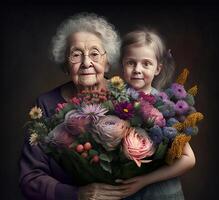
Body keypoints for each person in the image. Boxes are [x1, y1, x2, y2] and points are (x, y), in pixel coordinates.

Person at [19, 12, 129, 200]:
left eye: (95, 54)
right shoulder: (45, 105)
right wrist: (75, 195)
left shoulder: (128, 99)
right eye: (76, 55)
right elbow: (30, 178)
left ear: (108, 61)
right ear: (65, 64)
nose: (86, 63)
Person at [118, 27, 196, 200]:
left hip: (161, 194)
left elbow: (189, 159)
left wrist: (144, 180)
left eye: (146, 63)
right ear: (122, 65)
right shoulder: (114, 101)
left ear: (158, 69)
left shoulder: (165, 105)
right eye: (131, 62)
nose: (137, 69)